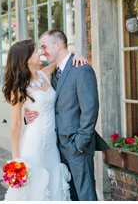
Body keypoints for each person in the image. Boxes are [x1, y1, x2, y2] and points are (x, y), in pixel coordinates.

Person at [24, 30, 109, 201]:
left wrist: (81, 143)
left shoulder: (81, 69)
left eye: (44, 47)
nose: (42, 51)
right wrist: (29, 116)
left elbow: (90, 109)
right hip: (55, 147)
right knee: (68, 194)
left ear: (58, 45)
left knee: (85, 195)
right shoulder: (52, 72)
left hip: (76, 146)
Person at [1, 39, 89, 201]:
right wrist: (15, 156)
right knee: (35, 186)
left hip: (51, 142)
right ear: (27, 58)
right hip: (34, 142)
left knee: (54, 181)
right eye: (36, 51)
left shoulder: (45, 73)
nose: (40, 52)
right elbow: (15, 123)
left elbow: (64, 60)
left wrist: (77, 53)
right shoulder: (19, 87)